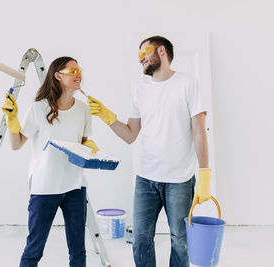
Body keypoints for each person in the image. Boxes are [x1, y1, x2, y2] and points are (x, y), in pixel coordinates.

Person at [87, 36, 212, 267]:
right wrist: (107, 116)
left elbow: (199, 132)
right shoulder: (140, 91)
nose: (141, 59)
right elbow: (130, 135)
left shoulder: (187, 84)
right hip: (146, 178)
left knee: (180, 240)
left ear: (161, 51)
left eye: (143, 53)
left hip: (179, 180)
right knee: (141, 239)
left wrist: (204, 174)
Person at [2, 56, 98, 267]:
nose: (78, 75)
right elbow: (16, 144)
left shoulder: (83, 109)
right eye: (73, 71)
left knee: (78, 250)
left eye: (79, 70)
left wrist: (89, 149)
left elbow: (83, 143)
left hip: (75, 186)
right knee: (34, 249)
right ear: (57, 76)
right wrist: (12, 121)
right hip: (45, 187)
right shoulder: (38, 109)